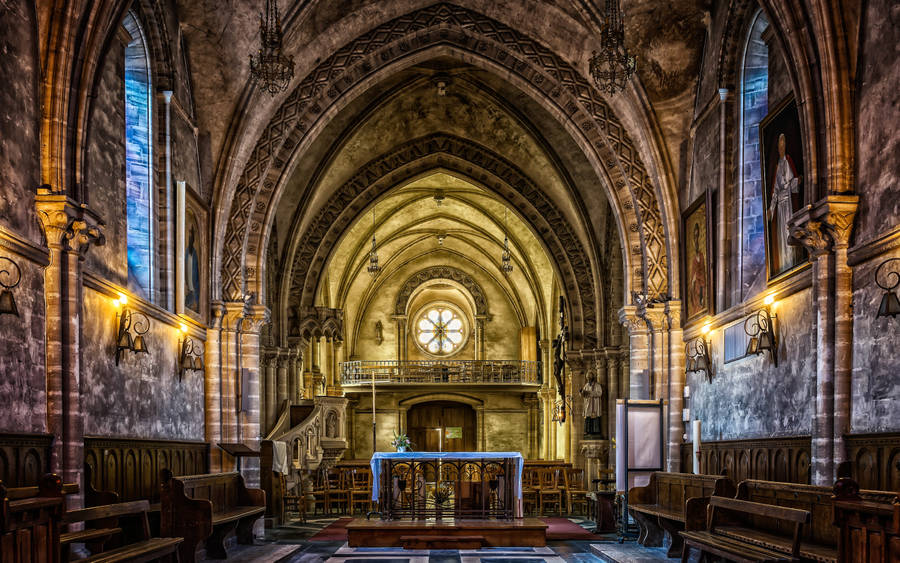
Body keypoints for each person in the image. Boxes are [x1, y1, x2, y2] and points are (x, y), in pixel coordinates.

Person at [768, 133, 801, 272]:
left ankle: (792, 262)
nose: (781, 147)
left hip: (789, 204)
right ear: (777, 147)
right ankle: (784, 265)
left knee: (789, 232)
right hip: (780, 206)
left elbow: (793, 183)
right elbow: (775, 191)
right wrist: (771, 209)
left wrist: (798, 181)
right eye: (779, 145)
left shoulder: (788, 161)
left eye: (783, 144)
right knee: (782, 235)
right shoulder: (777, 166)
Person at [689, 221, 707, 314]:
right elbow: (692, 274)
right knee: (696, 303)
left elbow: (703, 270)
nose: (696, 239)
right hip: (695, 285)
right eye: (694, 237)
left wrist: (698, 276)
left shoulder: (701, 255)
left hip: (700, 283)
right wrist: (693, 280)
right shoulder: (693, 258)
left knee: (701, 301)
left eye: (697, 236)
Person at [581, 370, 603, 436]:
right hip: (588, 404)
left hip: (595, 405)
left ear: (592, 378)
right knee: (587, 417)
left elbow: (600, 393)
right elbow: (584, 394)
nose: (588, 380)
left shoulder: (597, 385)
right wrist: (582, 393)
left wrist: (590, 393)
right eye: (587, 378)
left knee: (595, 418)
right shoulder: (586, 385)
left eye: (589, 378)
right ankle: (588, 431)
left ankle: (595, 432)